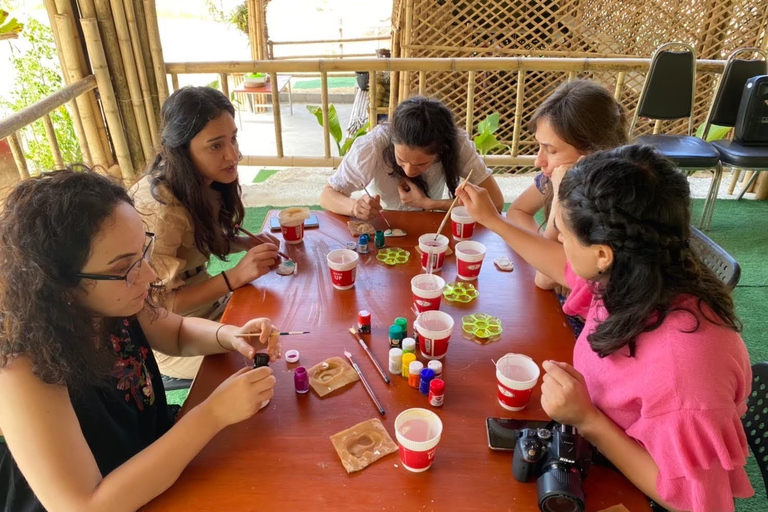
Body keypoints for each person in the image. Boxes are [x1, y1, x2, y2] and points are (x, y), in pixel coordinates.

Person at [457, 145, 754, 512]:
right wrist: (493, 220)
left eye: (564, 235)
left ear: (602, 253)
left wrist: (588, 419)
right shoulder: (638, 268)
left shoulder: (685, 375)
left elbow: (696, 501)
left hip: (631, 486)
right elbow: (561, 267)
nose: (560, 244)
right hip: (589, 434)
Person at [0, 169, 280, 512]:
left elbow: (175, 332)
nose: (148, 275)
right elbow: (85, 506)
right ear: (60, 286)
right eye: (125, 267)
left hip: (160, 463)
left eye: (142, 252)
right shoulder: (21, 368)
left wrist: (232, 335)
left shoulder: (113, 301)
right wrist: (212, 414)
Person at [132, 86, 280, 380]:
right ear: (181, 150)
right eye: (216, 146)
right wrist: (235, 276)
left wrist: (241, 242)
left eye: (233, 139)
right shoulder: (162, 211)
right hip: (173, 333)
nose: (233, 154)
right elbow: (158, 304)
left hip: (208, 308)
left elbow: (196, 243)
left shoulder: (204, 184)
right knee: (262, 361)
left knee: (276, 325)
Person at [506, 80, 627, 290]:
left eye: (551, 150)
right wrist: (541, 248)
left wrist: (560, 201)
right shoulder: (555, 175)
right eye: (539, 147)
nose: (538, 161)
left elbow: (544, 279)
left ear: (592, 152)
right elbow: (517, 211)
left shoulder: (606, 202)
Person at [320, 96, 504, 220]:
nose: (408, 171)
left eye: (421, 163)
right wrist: (354, 207)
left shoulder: (457, 144)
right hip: (381, 224)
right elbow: (327, 195)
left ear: (441, 150)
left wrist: (429, 203)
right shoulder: (373, 146)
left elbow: (495, 204)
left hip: (429, 223)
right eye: (401, 160)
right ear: (392, 142)